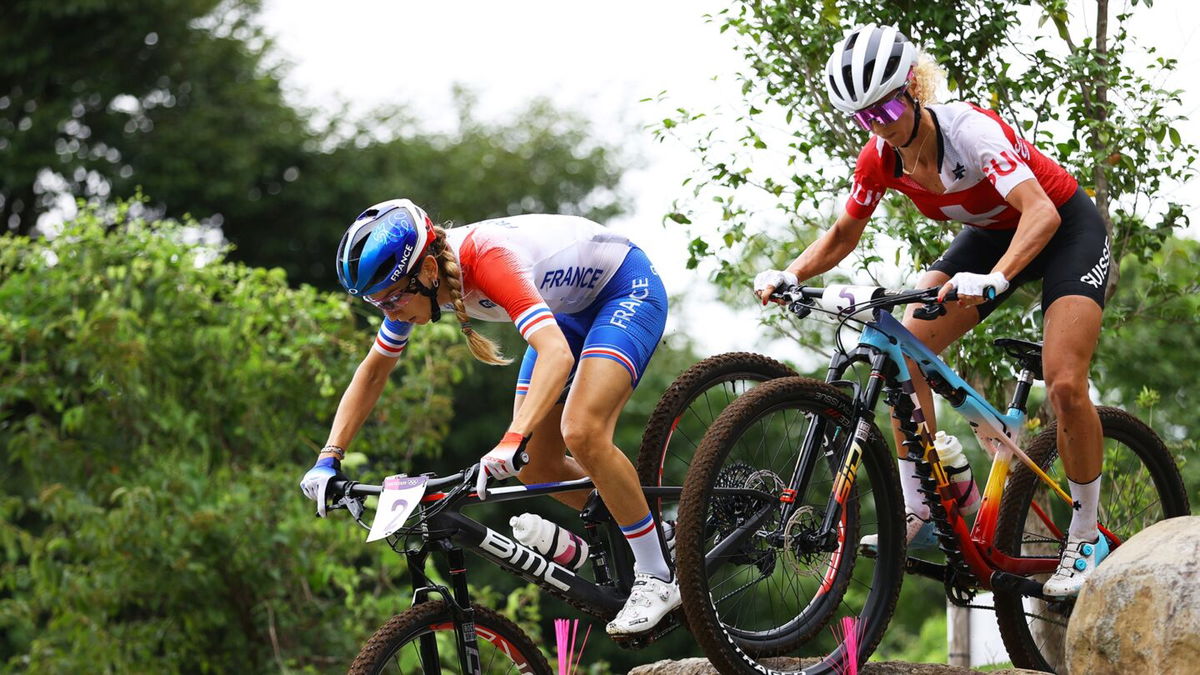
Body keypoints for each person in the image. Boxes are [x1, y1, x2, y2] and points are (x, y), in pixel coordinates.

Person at [753, 24, 1112, 597]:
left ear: (914, 89)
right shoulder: (880, 158)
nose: (882, 123)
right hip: (990, 235)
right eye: (866, 117)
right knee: (897, 347)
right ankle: (928, 496)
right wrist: (790, 272)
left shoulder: (970, 132)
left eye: (889, 105)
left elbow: (1039, 213)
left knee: (1065, 384)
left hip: (1062, 226)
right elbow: (845, 231)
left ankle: (1086, 531)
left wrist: (995, 280)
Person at [299, 199, 679, 634]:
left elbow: (554, 353)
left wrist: (513, 436)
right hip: (569, 311)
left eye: (393, 298)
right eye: (377, 303)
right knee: (536, 466)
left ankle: (657, 574)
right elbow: (373, 371)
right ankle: (658, 531)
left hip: (623, 290)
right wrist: (329, 457)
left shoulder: (487, 260)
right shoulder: (421, 282)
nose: (390, 311)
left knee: (582, 431)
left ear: (426, 270)